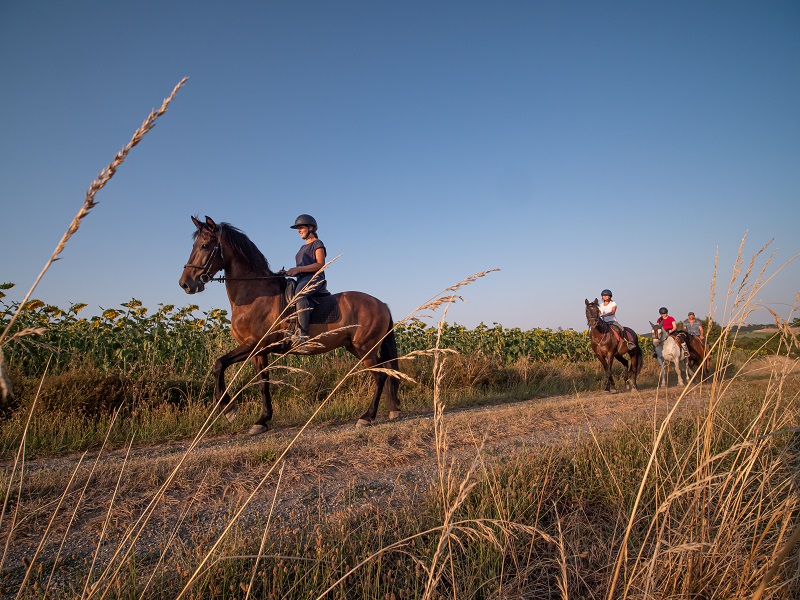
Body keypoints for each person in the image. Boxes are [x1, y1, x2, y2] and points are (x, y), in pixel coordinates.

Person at [283, 214, 327, 345]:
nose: (298, 230)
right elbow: (299, 268)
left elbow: (320, 264)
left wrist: (299, 269)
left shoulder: (317, 243)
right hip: (302, 278)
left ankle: (303, 334)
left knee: (300, 295)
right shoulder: (302, 247)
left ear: (311, 228)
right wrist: (287, 272)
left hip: (315, 278)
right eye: (298, 228)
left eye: (301, 227)